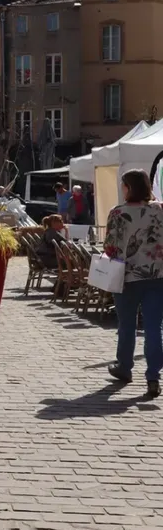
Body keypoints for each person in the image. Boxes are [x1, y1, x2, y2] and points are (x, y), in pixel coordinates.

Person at [103, 169, 163, 398]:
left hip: (126, 277)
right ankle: (153, 376)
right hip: (157, 276)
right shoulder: (159, 209)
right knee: (154, 327)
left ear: (128, 187)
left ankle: (125, 368)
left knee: (126, 325)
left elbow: (110, 247)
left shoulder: (117, 212)